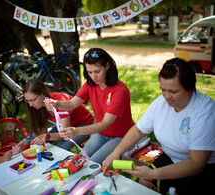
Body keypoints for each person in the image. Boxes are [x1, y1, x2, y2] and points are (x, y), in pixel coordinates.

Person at [103, 58, 215, 194]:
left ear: (190, 88)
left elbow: (196, 164)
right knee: (143, 184)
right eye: (163, 89)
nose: (166, 96)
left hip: (202, 168)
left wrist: (154, 174)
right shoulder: (160, 103)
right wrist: (116, 153)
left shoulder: (205, 112)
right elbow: (138, 130)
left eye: (173, 92)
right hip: (171, 157)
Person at [45, 48, 135, 164]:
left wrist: (76, 131)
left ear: (107, 66)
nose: (93, 76)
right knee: (80, 160)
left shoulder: (119, 90)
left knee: (93, 163)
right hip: (101, 133)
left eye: (97, 71)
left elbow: (105, 124)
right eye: (89, 72)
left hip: (122, 136)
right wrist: (56, 103)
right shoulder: (90, 85)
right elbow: (72, 104)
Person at [18, 79, 94, 151]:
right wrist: (27, 140)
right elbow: (41, 130)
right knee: (38, 142)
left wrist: (47, 136)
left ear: (43, 94)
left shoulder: (59, 102)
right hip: (67, 126)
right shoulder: (40, 105)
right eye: (27, 101)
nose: (30, 105)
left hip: (85, 125)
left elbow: (65, 134)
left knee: (61, 147)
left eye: (32, 100)